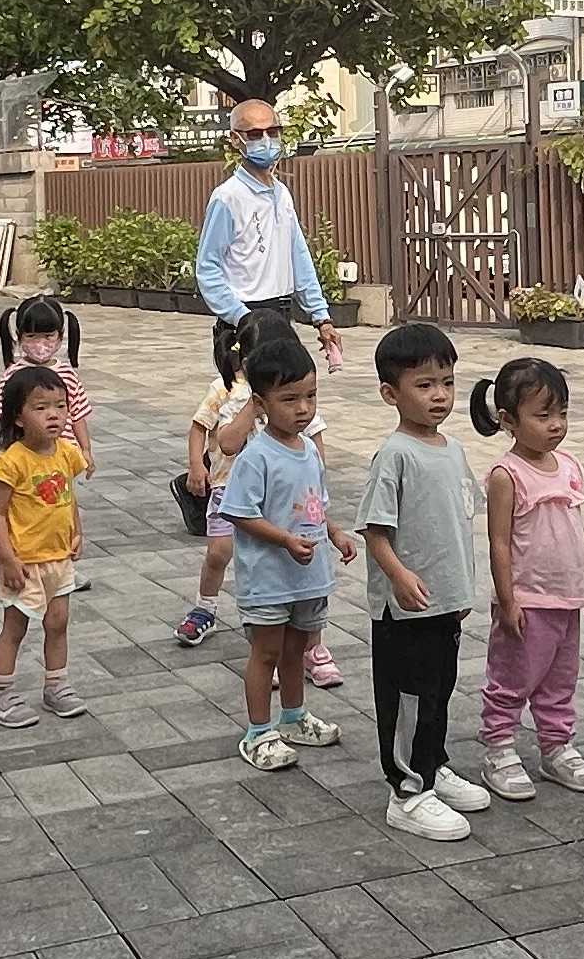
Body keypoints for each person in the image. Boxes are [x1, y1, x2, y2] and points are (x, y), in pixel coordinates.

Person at [360, 321, 498, 839]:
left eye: (447, 382)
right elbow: (375, 532)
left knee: (439, 690)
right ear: (390, 394)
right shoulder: (394, 455)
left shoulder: (453, 449)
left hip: (444, 602)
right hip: (405, 609)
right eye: (424, 385)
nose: (439, 395)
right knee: (409, 698)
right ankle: (407, 791)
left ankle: (433, 765)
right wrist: (398, 576)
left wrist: (461, 589)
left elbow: (456, 521)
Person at [215, 325, 352, 768]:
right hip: (269, 579)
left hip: (307, 576)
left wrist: (334, 533)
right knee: (267, 653)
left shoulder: (309, 451)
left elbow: (315, 506)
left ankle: (294, 716)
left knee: (297, 650)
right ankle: (258, 731)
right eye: (290, 399)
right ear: (260, 404)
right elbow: (239, 512)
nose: (303, 408)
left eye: (310, 396)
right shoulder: (256, 456)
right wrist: (285, 540)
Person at [475, 355, 584, 793]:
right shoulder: (506, 475)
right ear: (509, 420)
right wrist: (507, 599)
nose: (556, 425)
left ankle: (556, 746)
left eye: (562, 413)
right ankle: (499, 747)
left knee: (560, 678)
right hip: (528, 600)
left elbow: (576, 528)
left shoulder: (568, 465)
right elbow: (498, 542)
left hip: (566, 598)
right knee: (512, 678)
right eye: (543, 415)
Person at [193, 98, 339, 373]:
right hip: (245, 319)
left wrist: (321, 317)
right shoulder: (228, 198)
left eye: (272, 132)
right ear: (235, 140)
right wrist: (242, 318)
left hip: (281, 314)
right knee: (245, 397)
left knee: (288, 395)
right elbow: (207, 268)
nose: (266, 140)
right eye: (255, 134)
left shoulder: (281, 193)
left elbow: (298, 257)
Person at [0, 365, 91, 727]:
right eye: (41, 407)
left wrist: (76, 530)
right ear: (18, 417)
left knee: (58, 622)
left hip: (59, 559)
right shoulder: (11, 461)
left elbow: (68, 495)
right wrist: (7, 558)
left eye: (60, 406)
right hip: (25, 562)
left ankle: (56, 685)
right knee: (15, 628)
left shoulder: (66, 453)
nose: (53, 415)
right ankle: (0, 697)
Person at [175, 315, 258, 649]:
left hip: (266, 493)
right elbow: (199, 427)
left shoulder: (281, 391)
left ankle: (271, 617)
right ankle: (205, 607)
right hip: (227, 485)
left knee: (263, 558)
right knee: (218, 552)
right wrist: (196, 465)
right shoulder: (224, 388)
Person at [8, 294, 93, 462]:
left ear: (60, 336)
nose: (40, 343)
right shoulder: (12, 376)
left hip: (65, 457)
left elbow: (77, 416)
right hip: (27, 459)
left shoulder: (68, 374)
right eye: (31, 336)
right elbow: (6, 420)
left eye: (48, 336)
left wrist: (85, 450)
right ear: (19, 336)